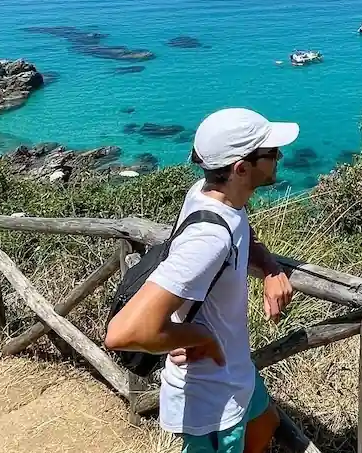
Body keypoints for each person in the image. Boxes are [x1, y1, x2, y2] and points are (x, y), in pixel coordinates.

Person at [105, 107, 297, 453]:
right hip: (211, 396)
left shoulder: (210, 194)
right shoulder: (208, 239)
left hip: (236, 373)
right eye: (270, 153)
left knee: (266, 422)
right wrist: (201, 337)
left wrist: (270, 267)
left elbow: (242, 229)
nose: (279, 157)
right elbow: (123, 332)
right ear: (241, 168)